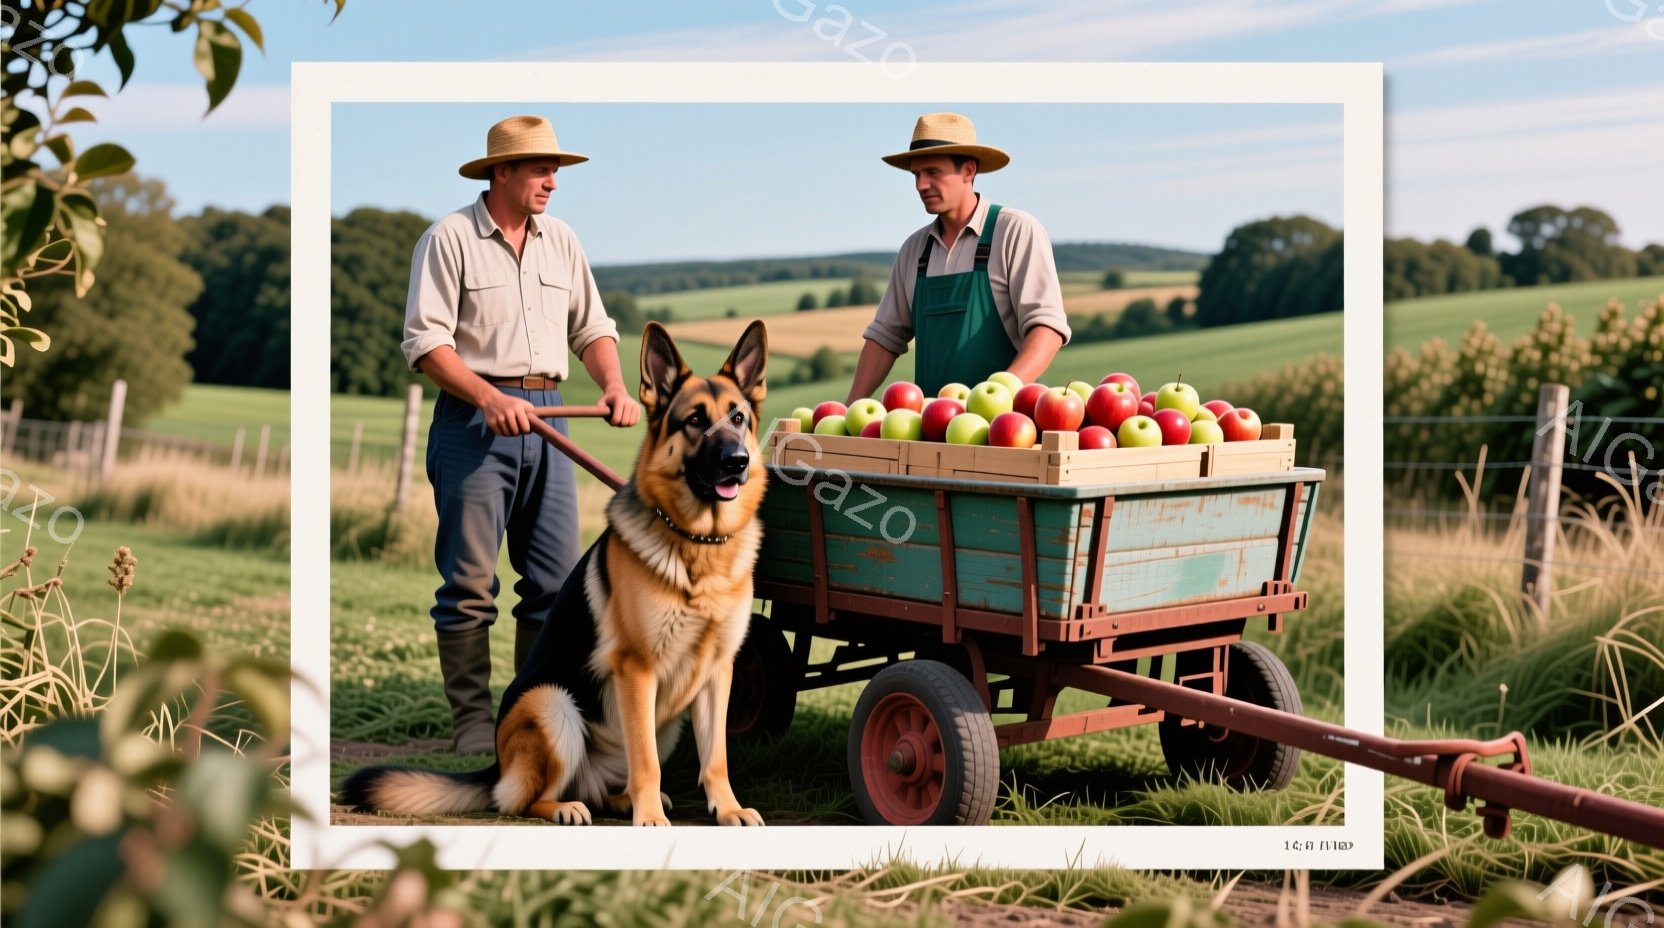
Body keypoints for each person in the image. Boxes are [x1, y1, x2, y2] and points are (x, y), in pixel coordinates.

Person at [401, 115, 641, 754]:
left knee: (556, 587)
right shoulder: (448, 238)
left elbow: (592, 327)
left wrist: (613, 385)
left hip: (552, 416)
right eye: (541, 170)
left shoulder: (562, 239)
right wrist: (488, 397)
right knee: (469, 586)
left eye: (555, 171)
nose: (553, 182)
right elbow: (426, 342)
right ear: (501, 172)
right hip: (474, 420)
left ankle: (530, 718)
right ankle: (473, 724)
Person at [847, 112, 1071, 404]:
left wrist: (1001, 395)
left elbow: (1047, 329)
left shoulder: (1014, 231)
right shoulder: (914, 250)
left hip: (1007, 423)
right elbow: (884, 338)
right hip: (931, 425)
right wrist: (847, 408)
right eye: (916, 174)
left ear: (968, 171)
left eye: (933, 172)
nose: (920, 185)